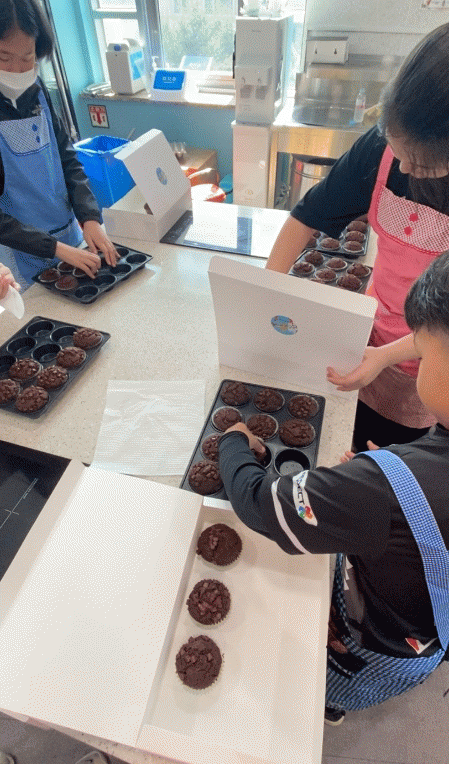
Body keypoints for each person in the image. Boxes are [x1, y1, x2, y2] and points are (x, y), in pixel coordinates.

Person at [217, 251, 449, 726]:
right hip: (428, 635)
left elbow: (261, 504)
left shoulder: (388, 489)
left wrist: (233, 444)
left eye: (423, 354)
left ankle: (327, 699)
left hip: (375, 639)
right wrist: (386, 488)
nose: (417, 359)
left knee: (333, 676)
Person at [266, 22, 449, 452]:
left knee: (390, 460)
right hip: (368, 330)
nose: (404, 170)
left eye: (420, 163)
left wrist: (389, 355)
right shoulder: (381, 147)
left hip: (433, 360)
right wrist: (267, 293)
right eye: (397, 153)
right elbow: (308, 215)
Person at [0, 0, 118, 290]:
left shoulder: (38, 91)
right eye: (4, 58)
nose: (17, 70)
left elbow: (67, 159)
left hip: (67, 237)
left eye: (28, 57)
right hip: (19, 252)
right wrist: (53, 248)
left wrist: (89, 217)